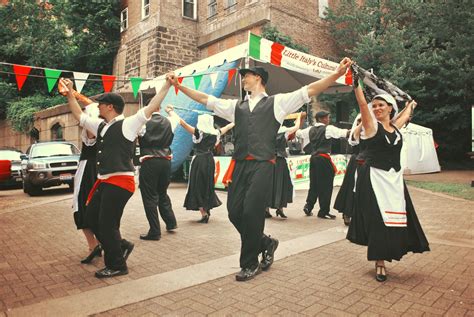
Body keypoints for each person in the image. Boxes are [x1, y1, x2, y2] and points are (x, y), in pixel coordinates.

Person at [169, 57, 352, 281]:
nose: (242, 78)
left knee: (252, 212)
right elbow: (205, 99)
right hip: (241, 165)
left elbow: (309, 89)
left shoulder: (277, 103)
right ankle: (266, 242)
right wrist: (179, 86)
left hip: (264, 165)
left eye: (246, 75)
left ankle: (250, 263)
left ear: (258, 78)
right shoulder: (236, 106)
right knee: (234, 211)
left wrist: (336, 74)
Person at [61, 77, 172, 278]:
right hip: (105, 181)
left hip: (121, 182)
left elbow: (153, 105)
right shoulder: (102, 126)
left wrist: (167, 85)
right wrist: (70, 93)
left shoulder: (129, 124)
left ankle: (117, 265)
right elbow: (79, 115)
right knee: (91, 217)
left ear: (110, 107)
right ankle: (122, 245)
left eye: (101, 104)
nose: (97, 107)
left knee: (107, 224)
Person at [347, 74, 429, 282]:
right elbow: (362, 104)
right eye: (375, 106)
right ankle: (379, 262)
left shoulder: (395, 128)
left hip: (393, 180)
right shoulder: (372, 127)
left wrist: (411, 105)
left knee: (394, 220)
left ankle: (390, 251)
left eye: (381, 105)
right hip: (374, 179)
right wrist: (356, 83)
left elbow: (404, 115)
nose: (377, 109)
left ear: (390, 107)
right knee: (377, 220)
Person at [166, 105, 234, 223]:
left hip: (199, 161)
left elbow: (182, 123)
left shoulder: (199, 132)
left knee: (198, 185)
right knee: (207, 184)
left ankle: (204, 212)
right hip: (209, 160)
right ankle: (206, 209)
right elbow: (227, 127)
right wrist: (236, 119)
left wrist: (170, 112)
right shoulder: (215, 133)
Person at [59, 81, 102, 263]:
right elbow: (88, 106)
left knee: (82, 207)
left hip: (88, 170)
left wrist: (71, 95)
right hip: (100, 169)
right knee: (96, 208)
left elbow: (81, 114)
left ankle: (93, 246)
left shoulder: (92, 130)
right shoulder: (106, 126)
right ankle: (99, 244)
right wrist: (75, 94)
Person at [137, 94, 179, 241]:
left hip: (150, 161)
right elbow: (177, 119)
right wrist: (170, 111)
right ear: (159, 108)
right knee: (162, 192)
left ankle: (155, 231)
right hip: (166, 161)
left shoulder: (143, 123)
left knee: (149, 196)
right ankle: (171, 222)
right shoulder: (169, 121)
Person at [297, 110, 349, 219]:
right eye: (327, 118)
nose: (328, 120)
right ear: (322, 119)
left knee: (314, 184)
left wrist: (300, 119)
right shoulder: (328, 129)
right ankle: (323, 211)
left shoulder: (309, 129)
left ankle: (308, 206)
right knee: (326, 185)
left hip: (313, 158)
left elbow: (298, 133)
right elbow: (343, 133)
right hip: (323, 159)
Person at [266, 112, 304, 219]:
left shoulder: (266, 130)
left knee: (269, 184)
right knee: (281, 183)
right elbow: (296, 127)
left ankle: (266, 209)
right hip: (280, 160)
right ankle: (280, 208)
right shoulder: (284, 131)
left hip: (268, 160)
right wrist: (299, 117)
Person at [333, 114, 364, 226]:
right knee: (351, 188)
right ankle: (347, 213)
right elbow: (354, 139)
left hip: (368, 163)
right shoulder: (356, 132)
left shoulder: (371, 130)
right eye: (359, 120)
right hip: (357, 162)